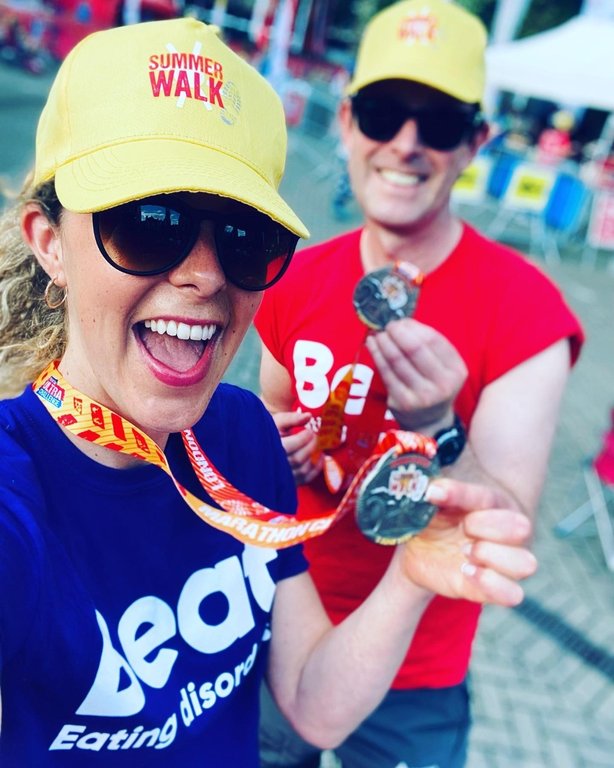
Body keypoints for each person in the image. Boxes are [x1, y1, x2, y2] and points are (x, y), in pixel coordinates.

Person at [0, 15, 538, 767]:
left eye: (244, 238)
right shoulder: (15, 500)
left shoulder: (245, 433)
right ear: (49, 241)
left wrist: (412, 576)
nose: (206, 273)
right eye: (150, 224)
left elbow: (312, 709)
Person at [254, 2, 585, 767]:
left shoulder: (527, 309)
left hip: (415, 667)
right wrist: (283, 448)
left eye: (436, 123)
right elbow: (274, 414)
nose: (404, 144)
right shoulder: (296, 276)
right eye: (382, 113)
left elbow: (509, 522)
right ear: (345, 121)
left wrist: (439, 422)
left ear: (476, 142)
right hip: (283, 614)